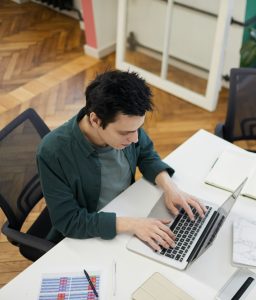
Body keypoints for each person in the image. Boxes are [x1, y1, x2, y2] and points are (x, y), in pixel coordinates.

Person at [36, 70, 206, 251]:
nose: (135, 139)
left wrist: (170, 187)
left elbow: (146, 154)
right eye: (125, 133)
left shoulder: (127, 125)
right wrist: (132, 224)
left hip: (128, 207)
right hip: (95, 232)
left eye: (138, 129)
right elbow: (69, 221)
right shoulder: (53, 152)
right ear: (95, 120)